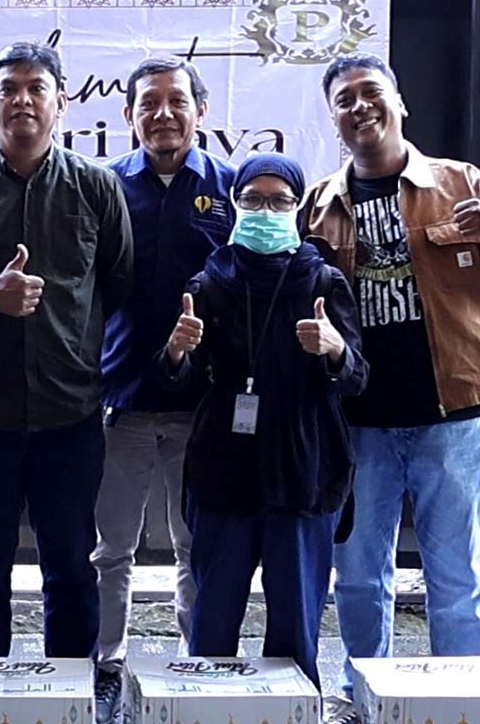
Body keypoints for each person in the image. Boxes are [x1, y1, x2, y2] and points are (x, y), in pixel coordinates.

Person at [302, 52, 480, 713]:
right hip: (357, 424)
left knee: (455, 578)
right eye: (344, 99)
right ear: (334, 119)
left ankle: (461, 703)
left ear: (399, 102)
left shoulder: (462, 182)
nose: (359, 106)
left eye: (370, 92)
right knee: (359, 579)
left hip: (453, 417)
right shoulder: (318, 204)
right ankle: (363, 697)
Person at [0, 41, 134, 659]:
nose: (22, 100)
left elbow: (119, 284)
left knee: (70, 570)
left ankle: (73, 694)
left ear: (60, 102)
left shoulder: (96, 186)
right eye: (8, 89)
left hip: (70, 416)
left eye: (36, 88)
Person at [159, 152, 367, 688]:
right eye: (253, 200)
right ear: (234, 205)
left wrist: (335, 349)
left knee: (295, 624)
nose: (265, 211)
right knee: (213, 621)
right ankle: (207, 709)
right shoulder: (208, 284)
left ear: (297, 208)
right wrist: (177, 352)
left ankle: (294, 711)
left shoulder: (323, 281)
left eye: (279, 201)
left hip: (302, 468)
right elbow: (178, 383)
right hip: (223, 470)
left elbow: (358, 379)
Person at [93, 57, 234, 718]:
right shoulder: (104, 186)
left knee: (193, 544)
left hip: (201, 405)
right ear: (128, 115)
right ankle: (106, 660)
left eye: (177, 101)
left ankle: (192, 657)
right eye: (149, 103)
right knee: (111, 547)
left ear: (201, 111)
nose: (163, 115)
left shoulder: (231, 187)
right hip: (119, 395)